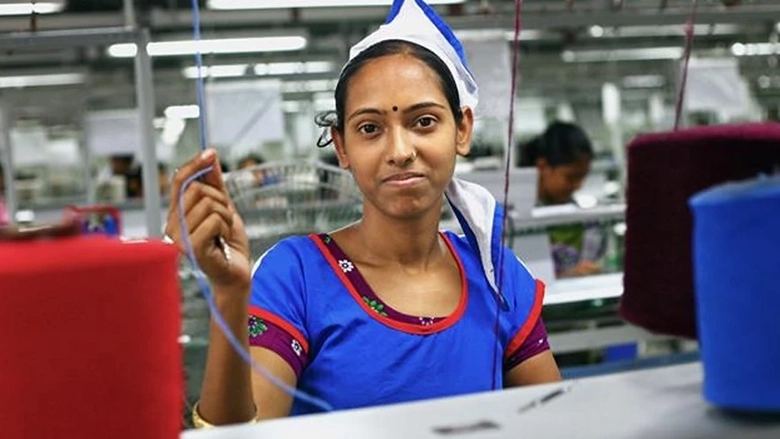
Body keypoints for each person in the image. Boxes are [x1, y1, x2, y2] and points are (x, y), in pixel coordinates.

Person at [165, 0, 560, 426]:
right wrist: (229, 293)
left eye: (424, 122)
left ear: (462, 129)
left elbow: (558, 421)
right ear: (341, 146)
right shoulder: (296, 276)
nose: (400, 151)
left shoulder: (497, 276)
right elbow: (243, 437)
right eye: (370, 129)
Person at [518, 121, 605, 277]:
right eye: (571, 177)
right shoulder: (518, 222)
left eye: (583, 177)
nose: (578, 186)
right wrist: (566, 276)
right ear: (543, 167)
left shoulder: (586, 223)